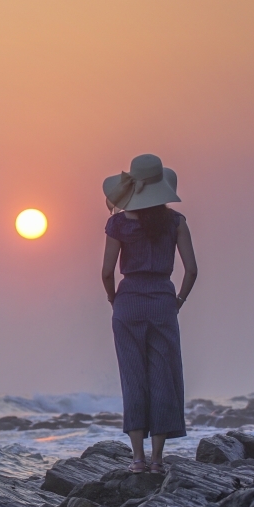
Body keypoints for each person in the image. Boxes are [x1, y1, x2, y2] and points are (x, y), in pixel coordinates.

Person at [101, 154, 197, 474]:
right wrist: (178, 300)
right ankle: (158, 460)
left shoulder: (118, 224)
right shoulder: (176, 222)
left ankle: (137, 459)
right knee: (162, 379)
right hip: (162, 303)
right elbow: (192, 270)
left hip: (128, 303)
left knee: (133, 379)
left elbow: (106, 272)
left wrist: (116, 300)